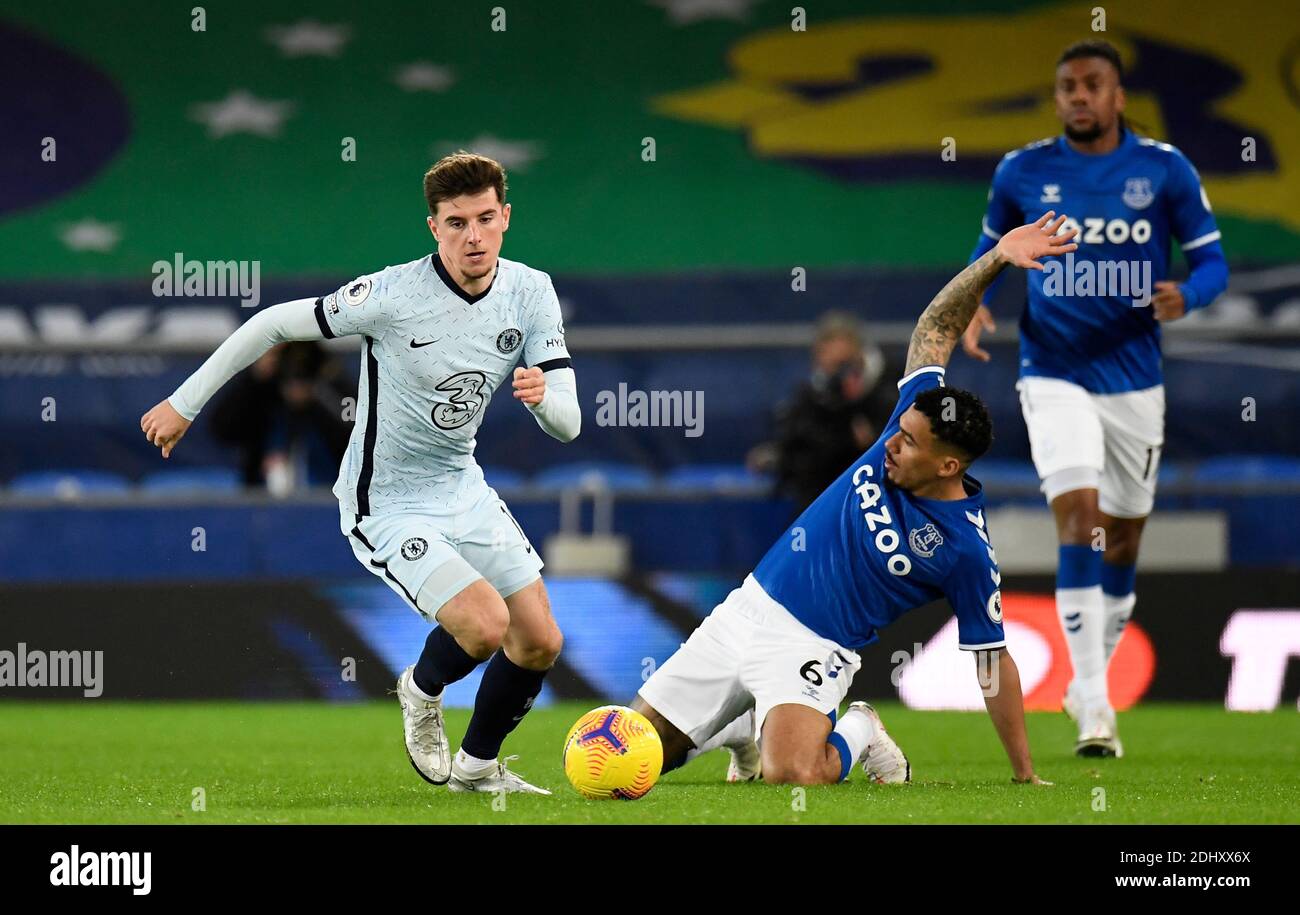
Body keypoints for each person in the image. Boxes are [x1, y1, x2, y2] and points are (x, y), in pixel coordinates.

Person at [140, 152, 580, 794]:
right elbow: (270, 323)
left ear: (506, 217)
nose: (474, 237)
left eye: (486, 219)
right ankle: (420, 691)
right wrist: (184, 402)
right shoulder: (392, 295)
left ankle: (478, 767)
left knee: (539, 640)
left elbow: (568, 423)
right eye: (456, 223)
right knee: (485, 626)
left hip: (464, 487)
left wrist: (545, 400)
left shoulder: (530, 290)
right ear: (434, 227)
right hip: (388, 501)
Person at [632, 213, 1078, 786]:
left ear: (948, 465)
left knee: (793, 775)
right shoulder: (912, 410)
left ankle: (862, 727)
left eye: (909, 442)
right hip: (747, 608)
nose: (890, 442)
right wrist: (993, 261)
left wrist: (1025, 775)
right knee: (642, 755)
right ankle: (744, 728)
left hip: (813, 646)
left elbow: (993, 661)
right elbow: (936, 326)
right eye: (898, 428)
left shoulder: (966, 548)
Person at [961, 40, 1229, 757]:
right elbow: (990, 251)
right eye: (1068, 86)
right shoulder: (1023, 171)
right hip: (1052, 370)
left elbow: (1213, 261)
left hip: (1135, 379)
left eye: (1092, 84)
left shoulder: (1164, 169)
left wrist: (1187, 294)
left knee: (1124, 536)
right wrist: (974, 301)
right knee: (1079, 518)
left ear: (1116, 96)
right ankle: (1096, 708)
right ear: (1058, 99)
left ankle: (1088, 680)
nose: (1079, 96)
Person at [760, 312, 897, 511]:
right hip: (823, 503)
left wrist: (872, 439)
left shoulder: (893, 389)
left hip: (879, 503)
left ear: (859, 355)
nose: (840, 377)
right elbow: (798, 452)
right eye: (831, 368)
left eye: (845, 365)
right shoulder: (810, 399)